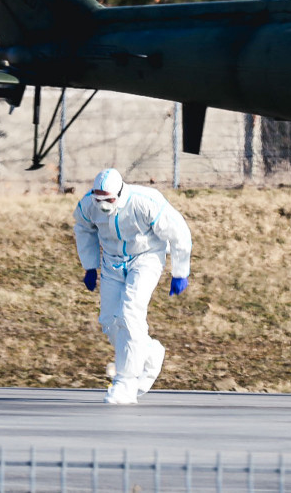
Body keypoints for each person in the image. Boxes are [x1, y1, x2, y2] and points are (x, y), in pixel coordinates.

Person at [73, 168, 192, 405]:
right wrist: (90, 266)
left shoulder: (145, 202)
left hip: (146, 257)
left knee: (130, 315)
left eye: (108, 199)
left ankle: (125, 383)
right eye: (99, 199)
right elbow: (83, 230)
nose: (103, 204)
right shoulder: (87, 205)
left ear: (120, 192)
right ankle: (149, 352)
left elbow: (178, 232)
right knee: (108, 320)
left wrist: (180, 272)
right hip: (112, 261)